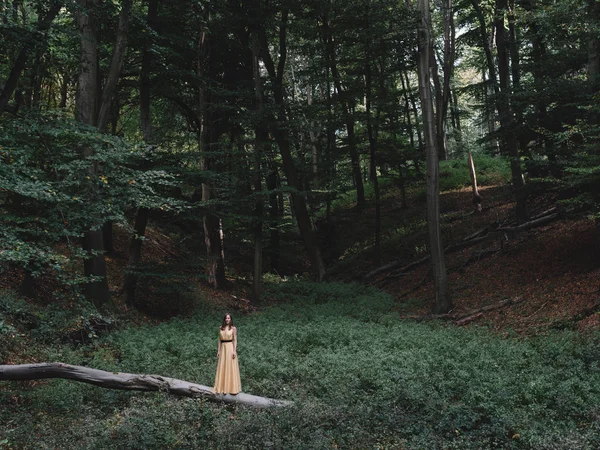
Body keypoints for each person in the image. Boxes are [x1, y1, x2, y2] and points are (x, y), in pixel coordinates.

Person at [213, 313, 242, 394]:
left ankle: (231, 388)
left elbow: (235, 340)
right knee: (223, 366)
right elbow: (219, 340)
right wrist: (218, 350)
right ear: (224, 319)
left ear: (231, 319)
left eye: (229, 318)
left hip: (230, 347)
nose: (227, 319)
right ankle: (221, 388)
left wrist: (234, 351)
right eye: (226, 318)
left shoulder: (233, 328)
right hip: (223, 348)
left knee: (230, 366)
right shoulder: (221, 328)